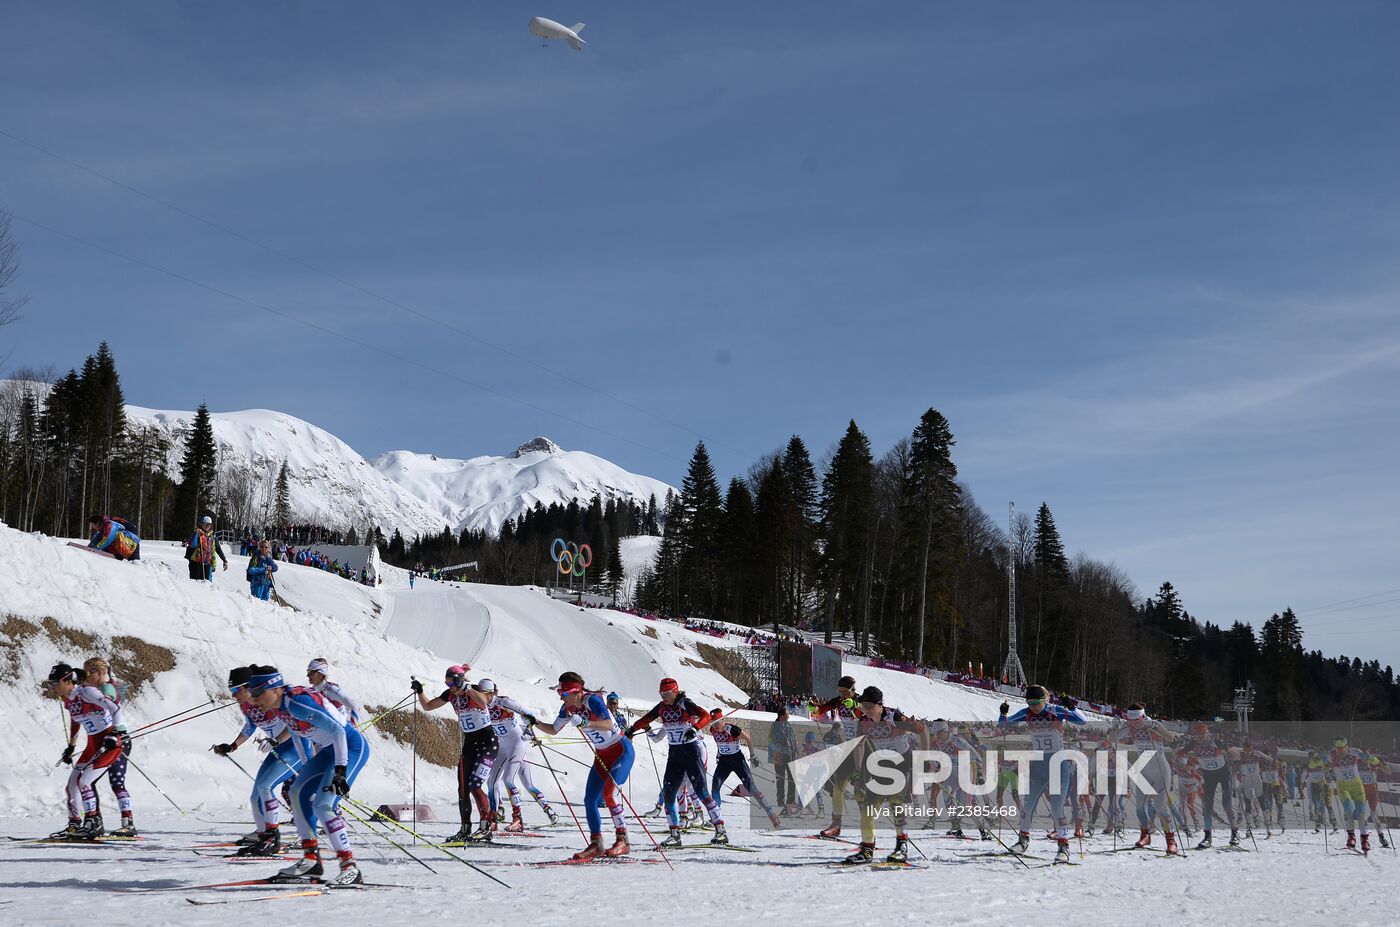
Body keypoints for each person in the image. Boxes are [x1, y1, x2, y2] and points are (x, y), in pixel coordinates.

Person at [248, 665, 369, 885]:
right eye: (251, 694)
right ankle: (311, 860)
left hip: (350, 748)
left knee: (324, 804)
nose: (254, 700)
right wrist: (306, 767)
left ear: (274, 688)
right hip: (328, 751)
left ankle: (349, 866)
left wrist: (340, 771)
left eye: (257, 693)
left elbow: (339, 731)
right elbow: (296, 734)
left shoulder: (298, 702)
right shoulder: (281, 706)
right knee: (297, 793)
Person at [532, 672, 634, 860]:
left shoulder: (592, 701)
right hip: (602, 755)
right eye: (559, 693)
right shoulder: (568, 709)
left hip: (621, 750)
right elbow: (553, 730)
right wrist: (534, 722)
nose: (561, 697)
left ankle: (623, 841)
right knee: (590, 800)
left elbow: (609, 724)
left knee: (609, 794)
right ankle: (596, 844)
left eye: (563, 693)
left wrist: (586, 722)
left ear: (576, 692)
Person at [212, 665, 306, 857]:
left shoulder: (269, 700)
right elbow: (249, 727)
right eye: (231, 691)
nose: (233, 696)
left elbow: (293, 724)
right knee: (256, 795)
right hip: (278, 747)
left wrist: (276, 740)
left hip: (295, 746)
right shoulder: (246, 705)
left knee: (266, 786)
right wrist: (232, 746)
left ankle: (272, 838)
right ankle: (263, 834)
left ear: (248, 687)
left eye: (235, 690)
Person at [626, 678, 726, 847]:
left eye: (666, 693)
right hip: (674, 754)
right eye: (661, 693)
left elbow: (706, 716)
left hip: (690, 752)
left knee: (701, 792)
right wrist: (631, 730)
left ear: (675, 691)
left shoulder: (684, 703)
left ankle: (720, 830)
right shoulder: (662, 707)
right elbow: (646, 719)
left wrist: (694, 729)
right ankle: (674, 834)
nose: (663, 696)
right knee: (669, 794)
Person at [997, 684, 1087, 864]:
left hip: (1058, 764)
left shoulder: (1055, 710)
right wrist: (1003, 713)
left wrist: (1071, 707)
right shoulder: (1027, 712)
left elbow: (1081, 720)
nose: (1033, 707)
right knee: (1028, 805)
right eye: (1029, 703)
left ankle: (1063, 847)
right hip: (1038, 765)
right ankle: (1022, 841)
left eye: (1036, 703)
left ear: (1044, 700)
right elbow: (1003, 726)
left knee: (1056, 807)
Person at [840, 686, 928, 864]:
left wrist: (925, 758)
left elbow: (923, 730)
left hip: (903, 762)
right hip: (882, 766)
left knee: (896, 802)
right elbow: (859, 745)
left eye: (870, 706)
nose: (866, 710)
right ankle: (866, 850)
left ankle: (901, 846)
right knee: (868, 808)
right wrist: (857, 771)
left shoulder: (895, 717)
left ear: (880, 705)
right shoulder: (864, 721)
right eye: (863, 706)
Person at [411, 665, 496, 842]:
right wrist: (420, 691)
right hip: (470, 744)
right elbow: (428, 706)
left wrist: (465, 687)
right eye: (447, 683)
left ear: (460, 680)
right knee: (463, 788)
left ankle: (486, 827)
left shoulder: (473, 691)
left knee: (475, 784)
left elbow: (484, 702)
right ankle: (465, 829)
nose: (450, 687)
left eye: (452, 683)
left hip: (488, 742)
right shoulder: (450, 695)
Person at [47, 663, 126, 840]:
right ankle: (74, 824)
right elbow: (76, 721)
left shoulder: (87, 692)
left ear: (67, 681)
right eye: (50, 684)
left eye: (54, 683)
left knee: (85, 782)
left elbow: (116, 709)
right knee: (71, 784)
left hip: (109, 743)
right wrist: (71, 746)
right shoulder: (68, 699)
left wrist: (114, 732)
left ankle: (93, 823)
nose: (52, 687)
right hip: (92, 745)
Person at [481, 680, 553, 832]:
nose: (481, 696)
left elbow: (528, 713)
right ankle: (493, 818)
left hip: (517, 743)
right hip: (502, 747)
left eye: (484, 693)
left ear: (491, 693)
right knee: (491, 782)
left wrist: (529, 729)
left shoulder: (503, 702)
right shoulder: (482, 706)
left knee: (509, 780)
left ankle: (518, 819)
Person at [1110, 703, 1181, 855]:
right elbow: (1111, 739)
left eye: (1136, 721)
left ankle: (1171, 840)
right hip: (1144, 770)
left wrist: (1155, 729)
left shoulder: (1153, 724)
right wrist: (1118, 728)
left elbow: (1172, 739)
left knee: (1161, 808)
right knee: (1139, 808)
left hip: (1161, 770)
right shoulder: (1129, 726)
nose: (1133, 723)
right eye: (1130, 720)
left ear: (1142, 717)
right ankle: (1145, 835)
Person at [82, 658, 136, 836]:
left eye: (90, 672)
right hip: (107, 740)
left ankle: (127, 823)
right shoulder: (94, 690)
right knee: (92, 780)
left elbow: (111, 703)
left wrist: (114, 732)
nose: (86, 676)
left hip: (118, 739)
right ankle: (95, 820)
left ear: (101, 672)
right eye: (85, 672)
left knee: (116, 783)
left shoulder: (106, 688)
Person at [709, 720, 782, 828]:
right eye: (714, 723)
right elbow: (719, 743)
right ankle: (716, 817)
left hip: (737, 761)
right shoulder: (712, 730)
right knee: (715, 787)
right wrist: (719, 753)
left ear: (723, 721)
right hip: (724, 762)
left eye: (717, 724)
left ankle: (771, 814)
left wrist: (752, 755)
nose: (715, 726)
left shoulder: (732, 729)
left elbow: (747, 738)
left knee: (752, 789)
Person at [813, 676, 861, 837]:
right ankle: (836, 825)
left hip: (865, 749)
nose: (842, 695)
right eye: (840, 692)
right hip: (849, 748)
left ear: (853, 690)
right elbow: (821, 711)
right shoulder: (839, 701)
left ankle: (867, 823)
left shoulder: (863, 700)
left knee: (859, 789)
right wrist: (814, 708)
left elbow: (871, 713)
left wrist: (856, 706)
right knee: (838, 787)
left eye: (846, 692)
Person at [1187, 721, 1240, 848]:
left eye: (1202, 735)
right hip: (1209, 776)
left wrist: (1227, 750)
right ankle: (1207, 837)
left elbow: (1236, 756)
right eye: (1197, 735)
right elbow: (1179, 752)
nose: (1200, 738)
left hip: (1224, 774)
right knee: (1207, 807)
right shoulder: (1193, 743)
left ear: (1207, 733)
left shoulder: (1216, 741)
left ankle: (1235, 833)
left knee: (1226, 804)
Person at [1328, 736, 1370, 852]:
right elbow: (1315, 762)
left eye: (1342, 749)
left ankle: (1364, 839)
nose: (1340, 751)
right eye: (1337, 749)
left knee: (1361, 812)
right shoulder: (1331, 754)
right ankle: (1351, 836)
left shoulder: (1354, 752)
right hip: (1343, 787)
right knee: (1348, 810)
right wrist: (1320, 763)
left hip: (1357, 786)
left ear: (1347, 747)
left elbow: (1367, 758)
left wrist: (1367, 756)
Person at [307, 659, 362, 726]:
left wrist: (352, 729)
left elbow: (355, 706)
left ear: (320, 674)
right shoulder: (313, 691)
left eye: (311, 672)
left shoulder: (331, 689)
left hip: (341, 730)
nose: (308, 675)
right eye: (308, 672)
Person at [769, 705, 798, 816]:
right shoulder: (775, 726)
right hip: (779, 756)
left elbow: (793, 738)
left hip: (790, 756)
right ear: (781, 716)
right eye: (786, 716)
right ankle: (780, 801)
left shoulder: (789, 725)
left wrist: (796, 750)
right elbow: (771, 742)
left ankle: (790, 801)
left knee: (792, 779)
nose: (788, 718)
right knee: (780, 780)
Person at [186, 515, 228, 581]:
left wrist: (224, 560)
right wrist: (196, 533)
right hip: (196, 563)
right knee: (195, 584)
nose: (207, 526)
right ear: (202, 524)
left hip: (207, 564)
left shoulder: (212, 536)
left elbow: (218, 549)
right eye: (205, 524)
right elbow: (192, 545)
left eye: (209, 524)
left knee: (206, 585)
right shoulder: (198, 533)